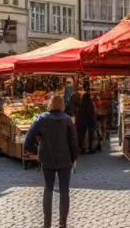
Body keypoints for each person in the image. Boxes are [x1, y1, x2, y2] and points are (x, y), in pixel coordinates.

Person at [24, 95, 79, 228]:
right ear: (62, 105)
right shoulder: (67, 120)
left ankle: (46, 224)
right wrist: (74, 158)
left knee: (48, 189)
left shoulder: (41, 119)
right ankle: (62, 224)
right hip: (65, 160)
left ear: (50, 104)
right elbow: (74, 143)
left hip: (47, 158)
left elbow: (27, 142)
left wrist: (37, 151)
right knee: (64, 190)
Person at [76, 84, 98, 153]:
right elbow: (93, 114)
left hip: (82, 122)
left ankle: (81, 148)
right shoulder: (91, 105)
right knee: (91, 134)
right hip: (90, 121)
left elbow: (79, 115)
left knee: (81, 135)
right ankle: (91, 148)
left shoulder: (81, 105)